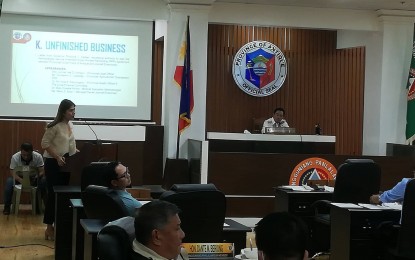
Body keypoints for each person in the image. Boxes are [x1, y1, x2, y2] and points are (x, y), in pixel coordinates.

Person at [41, 99, 78, 240]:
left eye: (74, 110)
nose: (73, 112)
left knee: (64, 196)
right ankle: (49, 227)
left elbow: (69, 144)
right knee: (53, 196)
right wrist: (56, 156)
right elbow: (44, 144)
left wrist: (76, 152)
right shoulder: (54, 126)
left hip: (67, 163)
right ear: (63, 111)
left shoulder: (70, 125)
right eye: (71, 110)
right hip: (53, 164)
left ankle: (59, 225)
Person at [3, 142, 45, 215]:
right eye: (23, 155)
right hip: (19, 177)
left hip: (34, 177)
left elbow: (42, 170)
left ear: (32, 151)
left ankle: (39, 206)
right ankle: (7, 207)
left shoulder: (38, 156)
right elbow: (12, 171)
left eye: (28, 155)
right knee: (9, 183)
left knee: (44, 182)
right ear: (20, 151)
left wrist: (37, 177)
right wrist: (19, 179)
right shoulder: (15, 157)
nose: (26, 157)